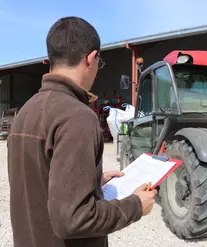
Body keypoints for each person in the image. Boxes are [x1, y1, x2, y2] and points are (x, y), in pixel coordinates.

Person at [7, 16, 157, 247]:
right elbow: (74, 219)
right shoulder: (77, 117)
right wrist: (136, 206)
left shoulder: (26, 111)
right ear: (91, 58)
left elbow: (40, 179)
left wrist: (92, 180)